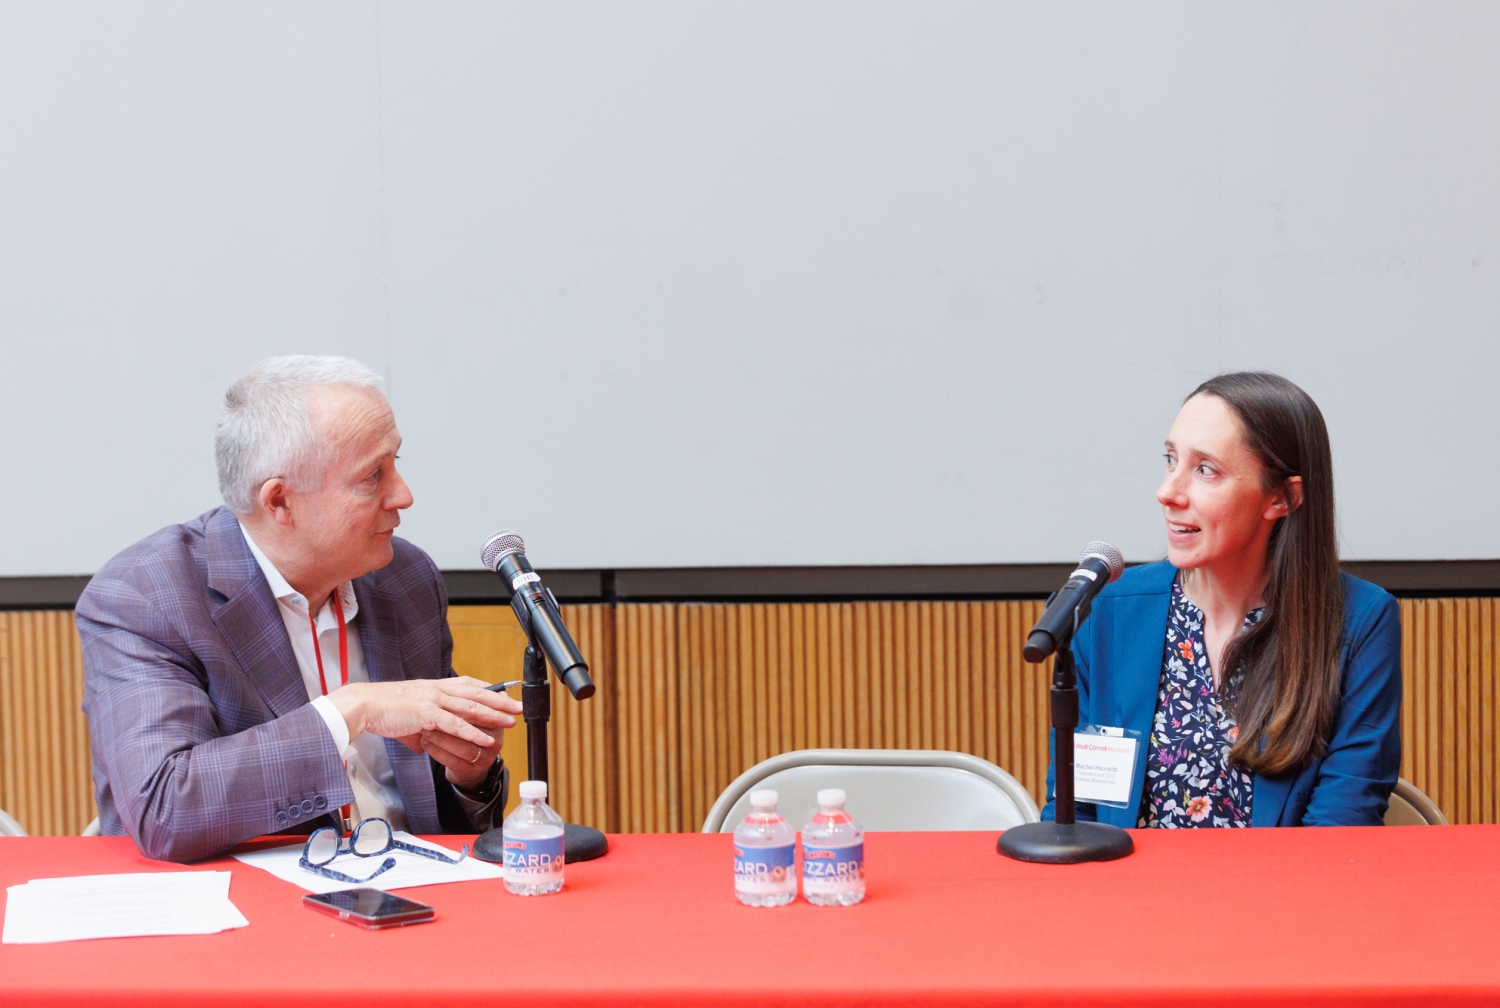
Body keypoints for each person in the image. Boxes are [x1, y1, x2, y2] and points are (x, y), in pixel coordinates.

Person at [77, 356, 523, 862]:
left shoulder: (404, 578)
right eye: (372, 475)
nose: (403, 495)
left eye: (397, 463)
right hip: (245, 914)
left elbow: (436, 814)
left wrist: (468, 774)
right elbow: (166, 808)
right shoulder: (147, 595)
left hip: (413, 896)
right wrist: (354, 708)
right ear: (280, 502)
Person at [1042, 372, 1401, 827]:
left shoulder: (1360, 622)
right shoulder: (1110, 611)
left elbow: (1341, 825)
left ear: (1282, 498)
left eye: (1205, 470)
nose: (1167, 492)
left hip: (1283, 895)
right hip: (1128, 895)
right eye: (1170, 460)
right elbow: (1073, 814)